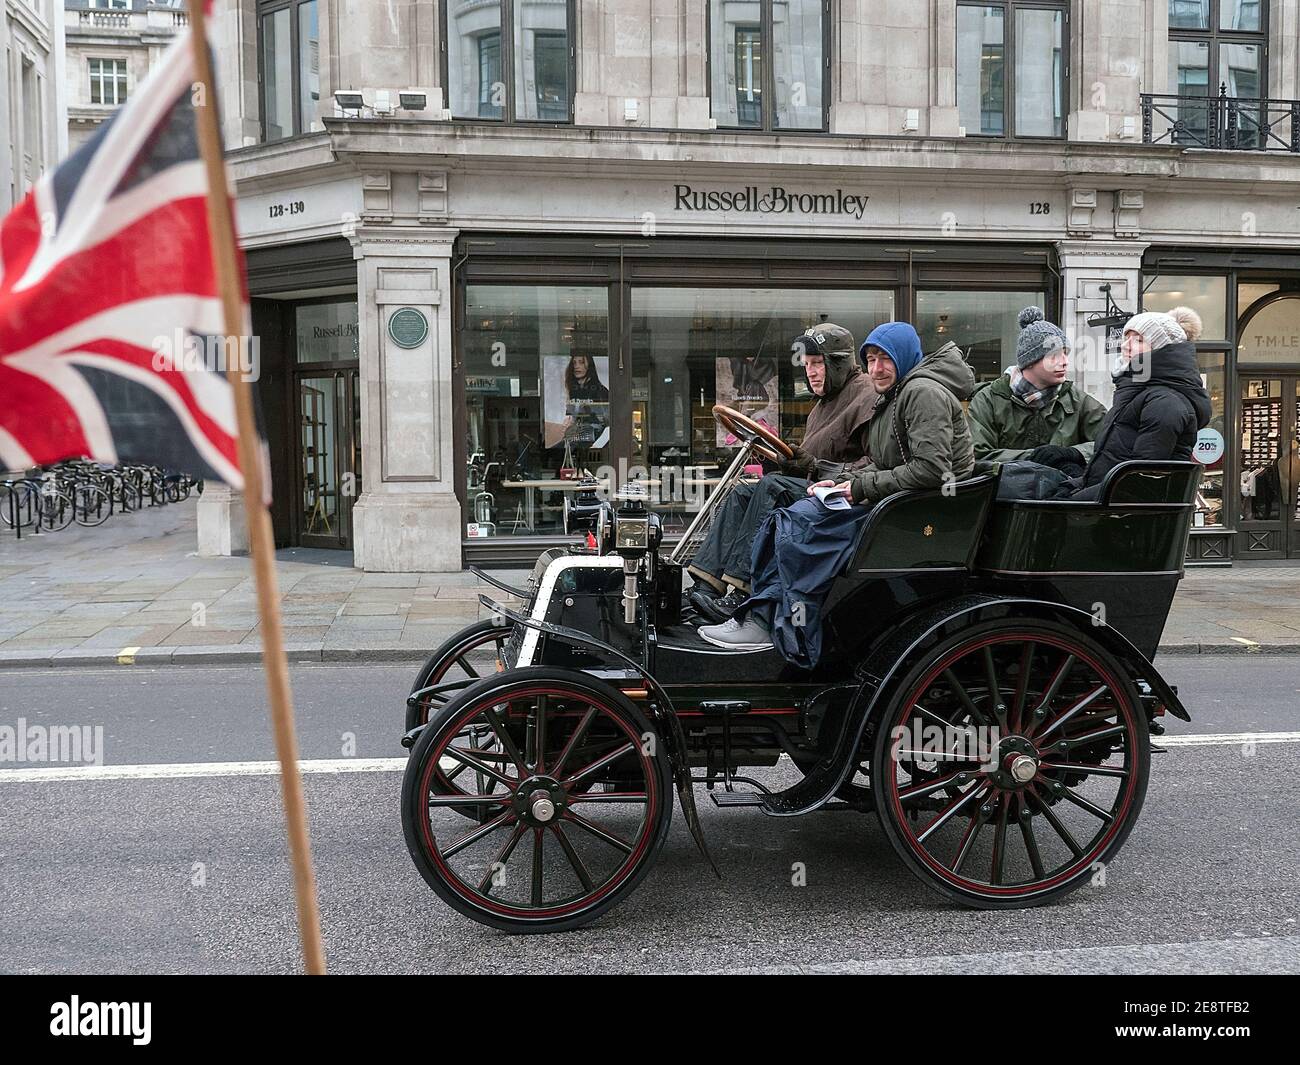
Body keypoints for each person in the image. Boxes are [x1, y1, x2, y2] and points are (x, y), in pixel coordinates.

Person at [698, 322, 976, 658]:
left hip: (916, 516)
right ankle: (714, 589)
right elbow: (884, 461)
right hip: (896, 502)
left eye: (885, 358)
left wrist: (854, 484)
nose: (877, 368)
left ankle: (762, 616)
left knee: (795, 522)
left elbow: (932, 469)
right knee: (779, 506)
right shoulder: (896, 395)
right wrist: (840, 481)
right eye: (871, 359)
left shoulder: (919, 393)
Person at [688, 323, 877, 621]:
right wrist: (793, 462)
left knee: (773, 486)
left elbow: (874, 465)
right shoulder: (823, 404)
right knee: (743, 491)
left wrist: (814, 467)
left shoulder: (866, 396)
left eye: (817, 363)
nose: (810, 372)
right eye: (806, 365)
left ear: (838, 363)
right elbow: (810, 460)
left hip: (844, 502)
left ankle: (744, 588)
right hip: (815, 490)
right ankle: (705, 584)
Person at [1065, 306, 1212, 501]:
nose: (1126, 345)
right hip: (1110, 511)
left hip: (1125, 520)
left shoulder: (1164, 403)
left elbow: (1139, 481)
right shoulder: (1136, 393)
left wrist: (1074, 502)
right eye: (1126, 337)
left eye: (1139, 340)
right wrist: (1069, 487)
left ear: (1161, 349)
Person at [967, 306, 1107, 474]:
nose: (1064, 362)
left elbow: (1111, 443)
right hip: (1005, 495)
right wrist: (1034, 459)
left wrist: (1074, 453)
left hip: (1065, 495)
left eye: (1065, 354)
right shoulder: (988, 400)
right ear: (1030, 361)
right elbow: (977, 454)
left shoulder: (1079, 401)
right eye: (1054, 356)